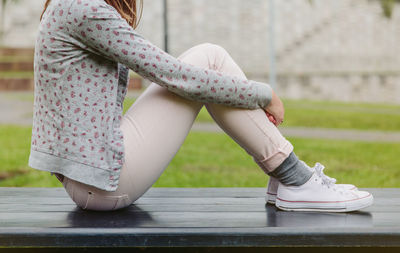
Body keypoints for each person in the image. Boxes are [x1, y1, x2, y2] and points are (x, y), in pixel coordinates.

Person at [29, 0, 373, 212]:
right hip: (104, 185)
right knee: (209, 60)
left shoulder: (68, 5)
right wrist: (263, 94)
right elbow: (175, 75)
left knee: (207, 58)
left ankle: (288, 180)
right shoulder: (85, 9)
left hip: (90, 179)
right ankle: (295, 180)